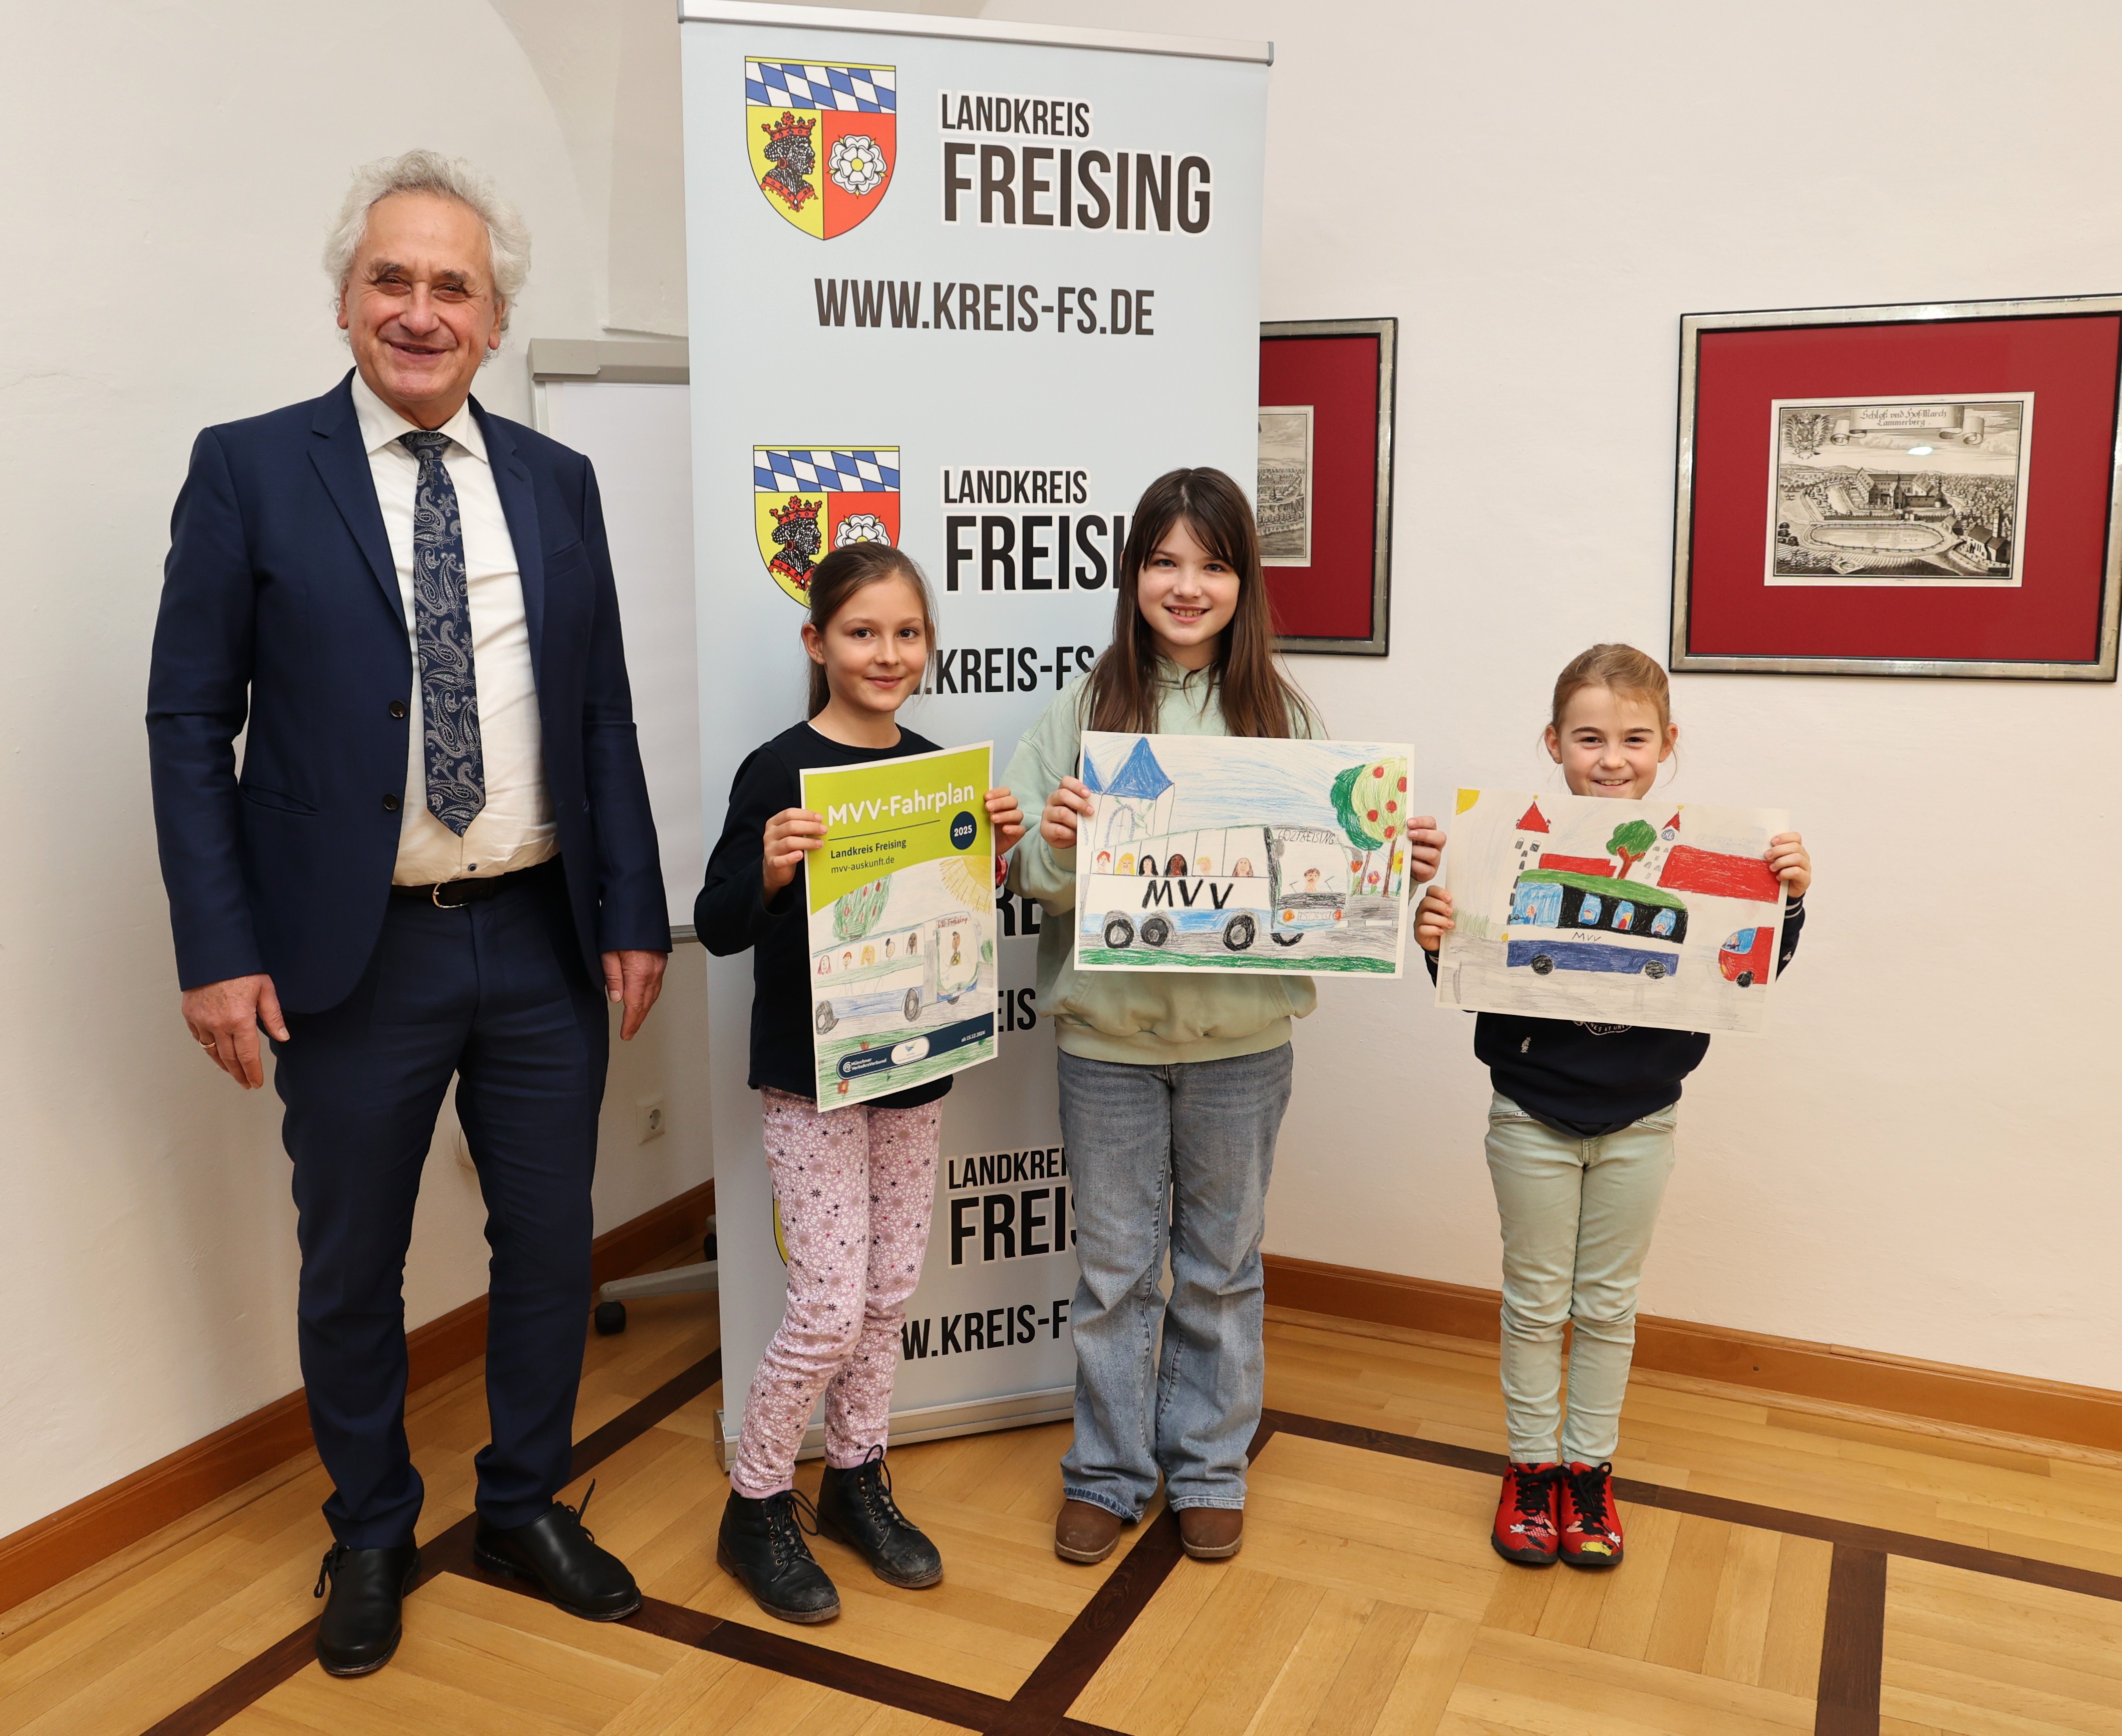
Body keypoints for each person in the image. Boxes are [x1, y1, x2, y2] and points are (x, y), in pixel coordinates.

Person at [145, 151, 669, 1677]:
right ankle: (371, 1527)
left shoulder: (558, 484)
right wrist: (217, 949)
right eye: (392, 279)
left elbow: (603, 713)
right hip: (350, 955)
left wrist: (632, 909)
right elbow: (189, 722)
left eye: (453, 286)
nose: (419, 310)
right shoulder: (249, 469)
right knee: (351, 1260)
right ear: (344, 300)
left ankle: (521, 1504)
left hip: (540, 937)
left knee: (549, 1245)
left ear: (495, 319)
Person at [1006, 467, 1443, 1566]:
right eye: (1164, 561)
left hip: (1243, 1048)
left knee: (1220, 1265)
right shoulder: (1079, 711)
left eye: (1211, 563)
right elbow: (1025, 879)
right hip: (1105, 1044)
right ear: (1132, 575)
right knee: (1114, 1272)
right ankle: (1106, 1472)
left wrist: (1388, 863)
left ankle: (1206, 1465)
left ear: (1244, 580)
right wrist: (1056, 843)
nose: (1186, 585)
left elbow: (1327, 886)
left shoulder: (1285, 720)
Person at [1414, 645, 1812, 1571]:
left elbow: (1743, 972)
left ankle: (1588, 1471)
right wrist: (1438, 942)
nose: (1611, 757)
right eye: (1589, 737)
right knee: (1533, 1300)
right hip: (1529, 1115)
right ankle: (1531, 1467)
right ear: (1553, 743)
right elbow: (1482, 981)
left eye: (1634, 739)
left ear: (1667, 744)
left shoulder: (1706, 857)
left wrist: (1786, 903)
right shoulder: (1502, 852)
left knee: (1605, 1305)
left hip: (1643, 1121)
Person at [696, 543, 1025, 1623]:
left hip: (913, 1069)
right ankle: (755, 1501)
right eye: (861, 631)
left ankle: (854, 1475)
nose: (887, 653)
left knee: (886, 1295)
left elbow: (951, 919)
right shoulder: (776, 769)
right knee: (829, 1307)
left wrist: (994, 856)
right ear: (817, 641)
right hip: (811, 1080)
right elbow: (716, 923)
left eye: (906, 632)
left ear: (928, 645)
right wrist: (769, 868)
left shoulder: (934, 772)